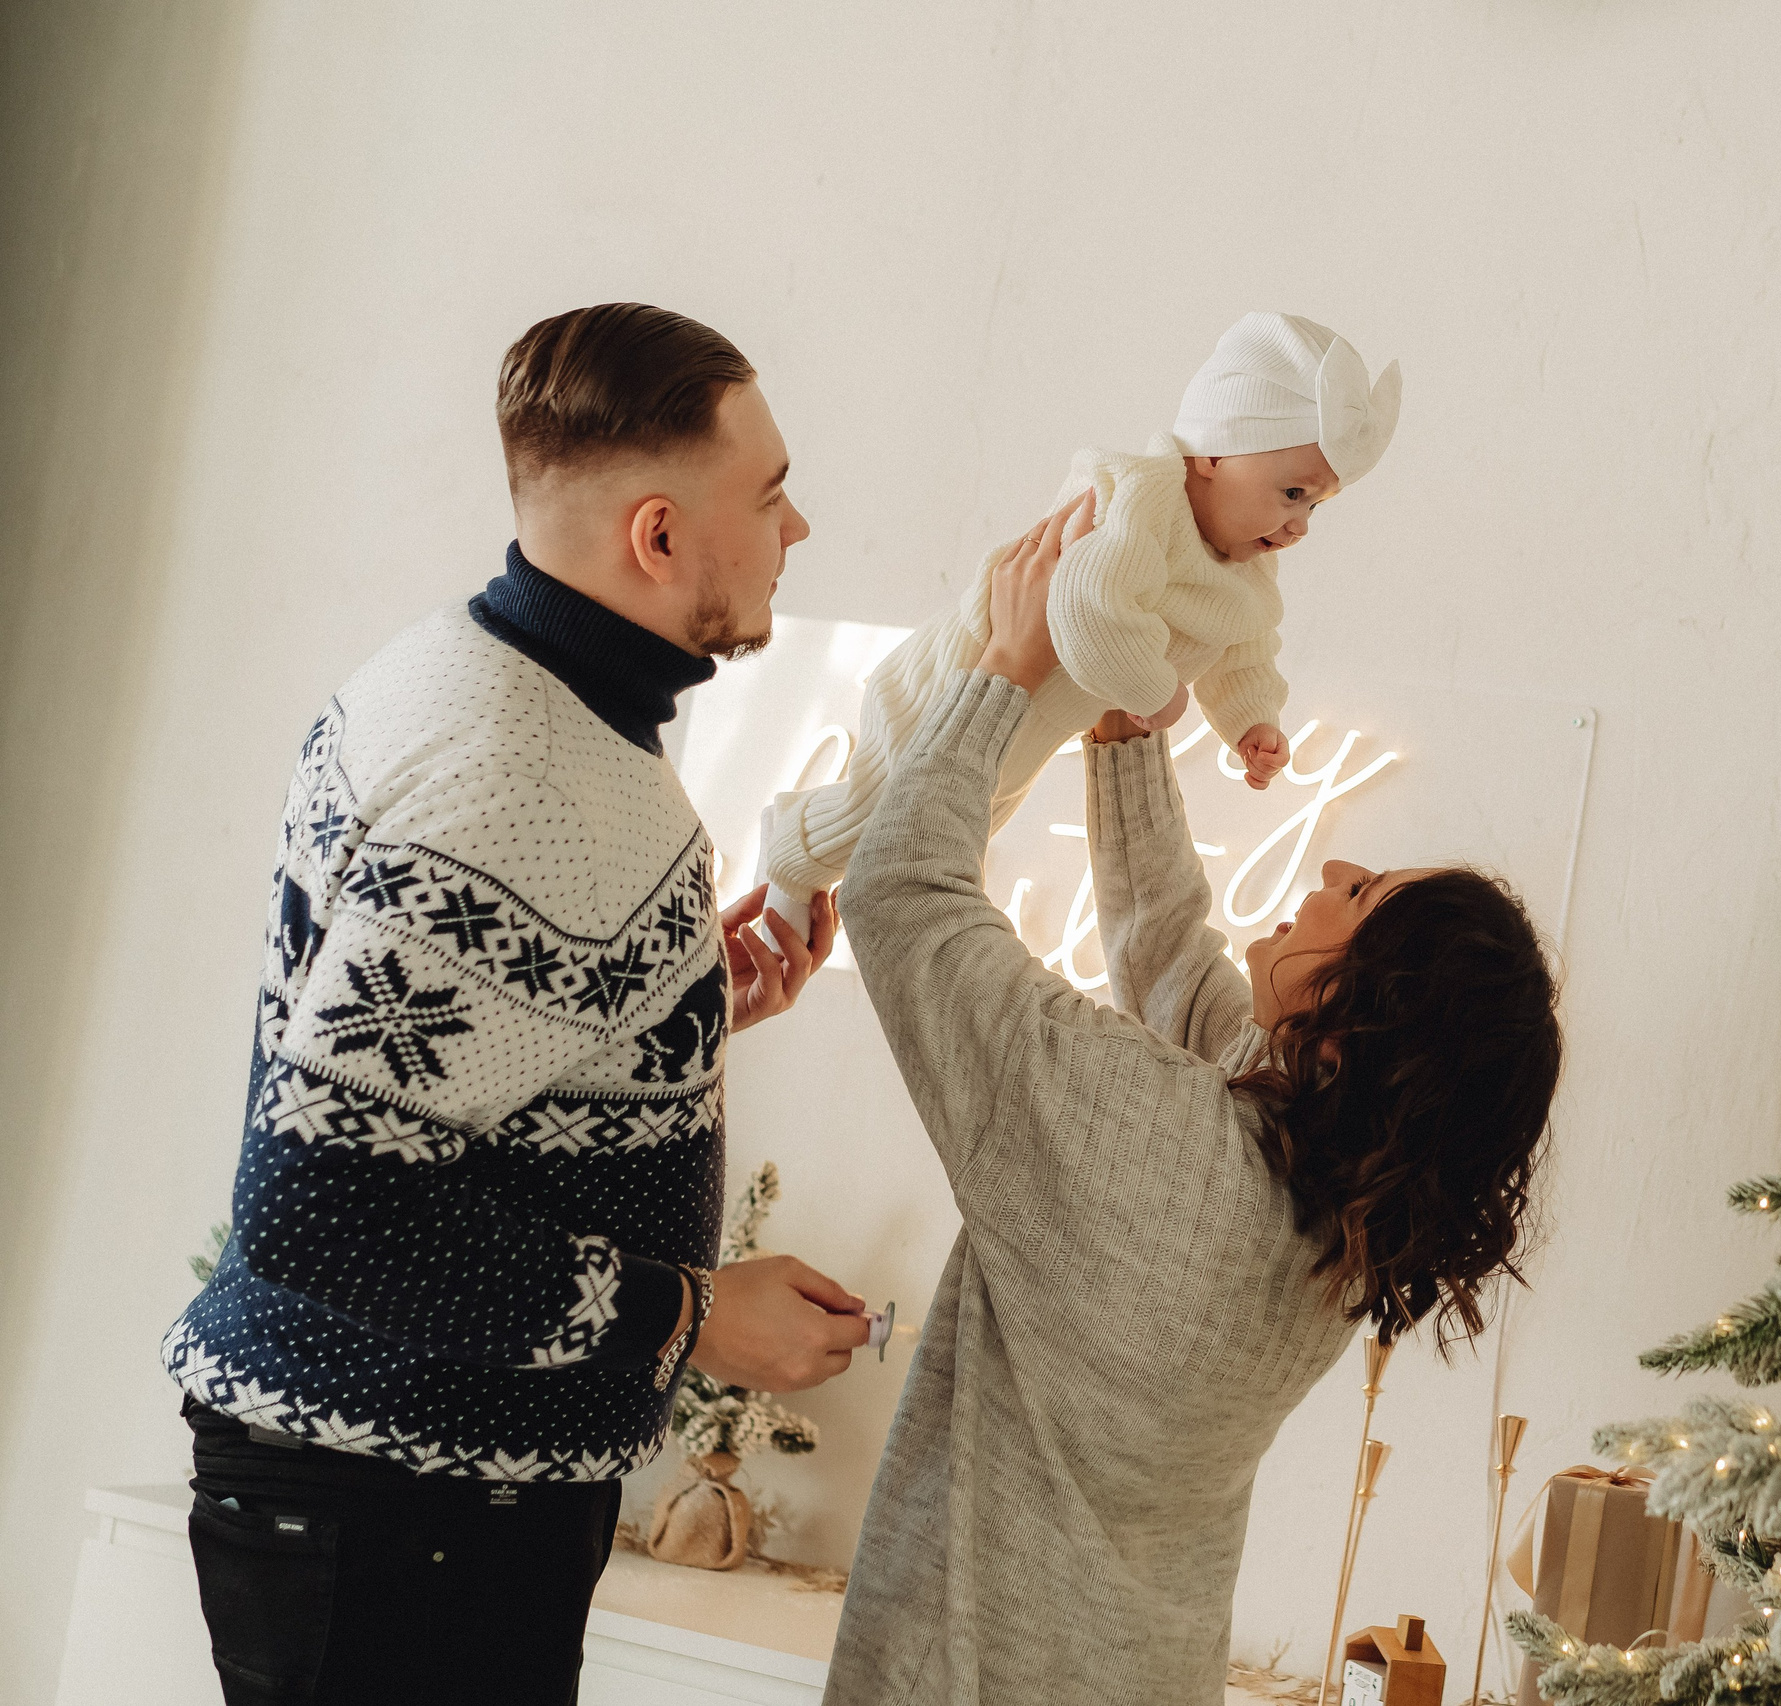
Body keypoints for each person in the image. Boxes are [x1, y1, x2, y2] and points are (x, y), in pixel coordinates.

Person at [162, 302, 871, 1706]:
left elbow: (421, 1053)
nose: (799, 529)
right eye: (772, 492)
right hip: (403, 1514)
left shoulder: (449, 670)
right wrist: (688, 1315)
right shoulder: (526, 778)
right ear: (659, 535)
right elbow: (322, 1201)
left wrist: (673, 1012)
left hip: (397, 1498)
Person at [823, 498, 1561, 1706]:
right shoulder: (1332, 1214)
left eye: (1360, 889)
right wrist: (1119, 724)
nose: (1326, 869)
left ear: (1351, 1011)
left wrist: (1005, 670)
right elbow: (1175, 960)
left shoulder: (1149, 1131)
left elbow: (902, 892)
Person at [755, 311, 1400, 939]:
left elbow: (1244, 650)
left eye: (1317, 504)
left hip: (1026, 726)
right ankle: (790, 846)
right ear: (1214, 453)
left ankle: (833, 884)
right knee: (886, 808)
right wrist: (1157, 691)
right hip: (959, 685)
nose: (1300, 525)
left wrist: (1251, 721)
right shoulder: (1142, 500)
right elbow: (1088, 607)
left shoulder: (1247, 570)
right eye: (1292, 493)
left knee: (964, 825)